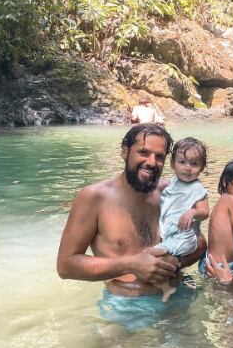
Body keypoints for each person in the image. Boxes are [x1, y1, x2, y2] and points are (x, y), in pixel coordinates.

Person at [56, 124, 206, 326]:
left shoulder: (169, 192)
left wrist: (176, 262)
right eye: (143, 152)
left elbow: (200, 242)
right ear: (125, 151)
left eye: (159, 156)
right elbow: (66, 266)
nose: (151, 162)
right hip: (126, 304)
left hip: (178, 294)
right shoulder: (95, 197)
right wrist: (130, 264)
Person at [155, 137, 209, 301]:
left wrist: (192, 213)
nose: (188, 168)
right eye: (182, 162)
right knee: (163, 261)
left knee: (150, 254)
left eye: (194, 164)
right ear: (172, 164)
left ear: (202, 168)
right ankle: (170, 286)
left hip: (184, 239)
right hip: (173, 234)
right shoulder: (171, 184)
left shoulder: (197, 188)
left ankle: (167, 286)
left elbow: (205, 212)